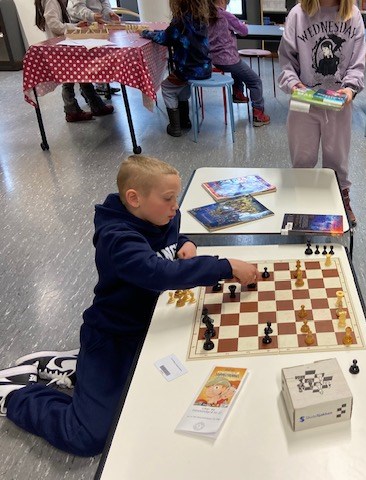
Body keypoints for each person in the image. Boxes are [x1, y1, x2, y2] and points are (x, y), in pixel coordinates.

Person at [0, 155, 258, 456]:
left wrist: (185, 242)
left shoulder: (157, 214)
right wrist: (224, 266)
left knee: (166, 401)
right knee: (89, 437)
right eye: (168, 198)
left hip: (151, 326)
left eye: (176, 197)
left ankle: (75, 367)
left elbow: (164, 240)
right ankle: (16, 395)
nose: (176, 207)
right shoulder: (116, 239)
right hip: (114, 335)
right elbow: (156, 271)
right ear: (134, 199)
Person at [278, 0, 366, 226]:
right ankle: (302, 202)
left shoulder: (353, 15)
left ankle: (341, 198)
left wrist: (350, 89)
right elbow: (287, 61)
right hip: (304, 102)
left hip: (338, 104)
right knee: (302, 159)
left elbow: (357, 64)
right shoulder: (297, 14)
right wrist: (294, 84)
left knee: (338, 160)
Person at [34, 0, 114, 122]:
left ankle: (95, 105)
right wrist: (74, 27)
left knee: (81, 75)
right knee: (69, 80)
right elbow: (54, 24)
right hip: (60, 47)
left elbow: (59, 23)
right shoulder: (51, 1)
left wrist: (75, 26)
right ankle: (72, 110)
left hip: (64, 45)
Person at [141, 0, 212, 137]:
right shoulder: (201, 20)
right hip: (204, 68)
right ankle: (185, 121)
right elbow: (171, 34)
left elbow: (164, 38)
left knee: (167, 87)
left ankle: (175, 126)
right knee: (181, 86)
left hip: (187, 70)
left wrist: (145, 33)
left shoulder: (180, 21)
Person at [208, 0, 270, 127]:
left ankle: (238, 93)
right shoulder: (226, 15)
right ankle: (258, 114)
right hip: (228, 60)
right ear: (222, 1)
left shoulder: (205, 15)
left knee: (237, 68)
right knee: (255, 81)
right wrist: (240, 24)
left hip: (213, 59)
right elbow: (244, 31)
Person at [67, 0, 121, 97]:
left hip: (96, 22)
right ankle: (91, 90)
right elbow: (78, 7)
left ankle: (102, 84)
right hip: (83, 23)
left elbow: (104, 2)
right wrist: (92, 16)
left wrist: (108, 13)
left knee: (102, 56)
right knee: (87, 62)